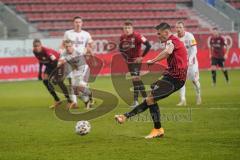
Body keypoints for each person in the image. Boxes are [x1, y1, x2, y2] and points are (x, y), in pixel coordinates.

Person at [115, 22, 188, 139]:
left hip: (176, 78)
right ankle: (125, 117)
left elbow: (168, 52)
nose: (157, 36)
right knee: (150, 99)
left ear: (166, 32)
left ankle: (157, 129)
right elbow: (170, 54)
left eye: (159, 34)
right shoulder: (172, 41)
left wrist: (153, 61)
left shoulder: (171, 41)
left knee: (150, 99)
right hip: (170, 75)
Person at [60, 16, 94, 107]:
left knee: (80, 86)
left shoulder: (86, 34)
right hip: (70, 60)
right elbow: (63, 45)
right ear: (73, 23)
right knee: (71, 83)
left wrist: (87, 51)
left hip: (81, 60)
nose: (78, 24)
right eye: (76, 22)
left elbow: (90, 45)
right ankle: (75, 102)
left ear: (82, 23)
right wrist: (62, 55)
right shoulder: (68, 33)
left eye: (79, 22)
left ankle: (88, 95)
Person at [32, 39, 74, 108]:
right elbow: (41, 61)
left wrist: (54, 74)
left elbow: (55, 61)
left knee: (59, 82)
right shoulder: (35, 51)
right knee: (45, 81)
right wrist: (39, 73)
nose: (36, 48)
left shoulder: (47, 52)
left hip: (59, 64)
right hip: (49, 65)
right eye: (35, 46)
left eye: (38, 46)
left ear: (41, 46)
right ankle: (57, 100)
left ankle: (70, 101)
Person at [119, 20, 151, 107]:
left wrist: (141, 57)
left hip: (136, 61)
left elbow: (148, 45)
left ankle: (136, 101)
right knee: (136, 80)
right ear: (123, 29)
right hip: (129, 62)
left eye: (129, 28)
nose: (127, 29)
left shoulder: (137, 36)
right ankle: (146, 98)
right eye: (125, 28)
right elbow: (120, 49)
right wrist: (125, 58)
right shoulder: (122, 37)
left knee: (135, 79)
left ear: (132, 28)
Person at [58, 40, 93, 109]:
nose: (68, 48)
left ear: (72, 46)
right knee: (74, 89)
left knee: (80, 86)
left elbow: (87, 49)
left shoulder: (78, 51)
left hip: (84, 70)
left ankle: (89, 93)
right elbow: (60, 63)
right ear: (65, 47)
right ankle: (86, 101)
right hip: (75, 72)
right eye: (66, 46)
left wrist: (90, 54)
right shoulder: (63, 53)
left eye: (70, 46)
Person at [175, 21, 201, 106]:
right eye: (177, 27)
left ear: (184, 28)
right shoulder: (174, 37)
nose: (178, 29)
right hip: (181, 64)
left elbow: (194, 50)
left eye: (180, 27)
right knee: (181, 81)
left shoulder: (189, 36)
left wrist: (189, 60)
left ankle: (198, 95)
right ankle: (183, 99)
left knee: (195, 81)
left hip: (192, 63)